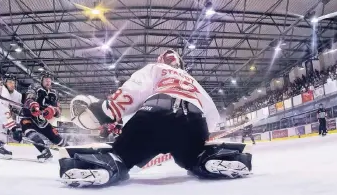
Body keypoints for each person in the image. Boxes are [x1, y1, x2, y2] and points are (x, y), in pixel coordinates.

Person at [59, 49, 252, 187]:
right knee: (192, 157)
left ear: (161, 60)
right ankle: (211, 158)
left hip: (155, 116)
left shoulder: (156, 69)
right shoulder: (192, 81)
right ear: (181, 65)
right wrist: (200, 141)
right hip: (193, 121)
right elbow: (212, 116)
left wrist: (104, 112)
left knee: (122, 156)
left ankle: (104, 165)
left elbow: (132, 92)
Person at [13, 73, 66, 161]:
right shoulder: (35, 87)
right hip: (27, 116)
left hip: (41, 119)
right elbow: (29, 98)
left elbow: (59, 110)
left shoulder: (54, 93)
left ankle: (70, 149)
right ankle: (45, 151)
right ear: (41, 81)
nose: (48, 82)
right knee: (29, 132)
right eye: (46, 81)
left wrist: (54, 111)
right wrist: (33, 105)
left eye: (49, 81)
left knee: (56, 137)